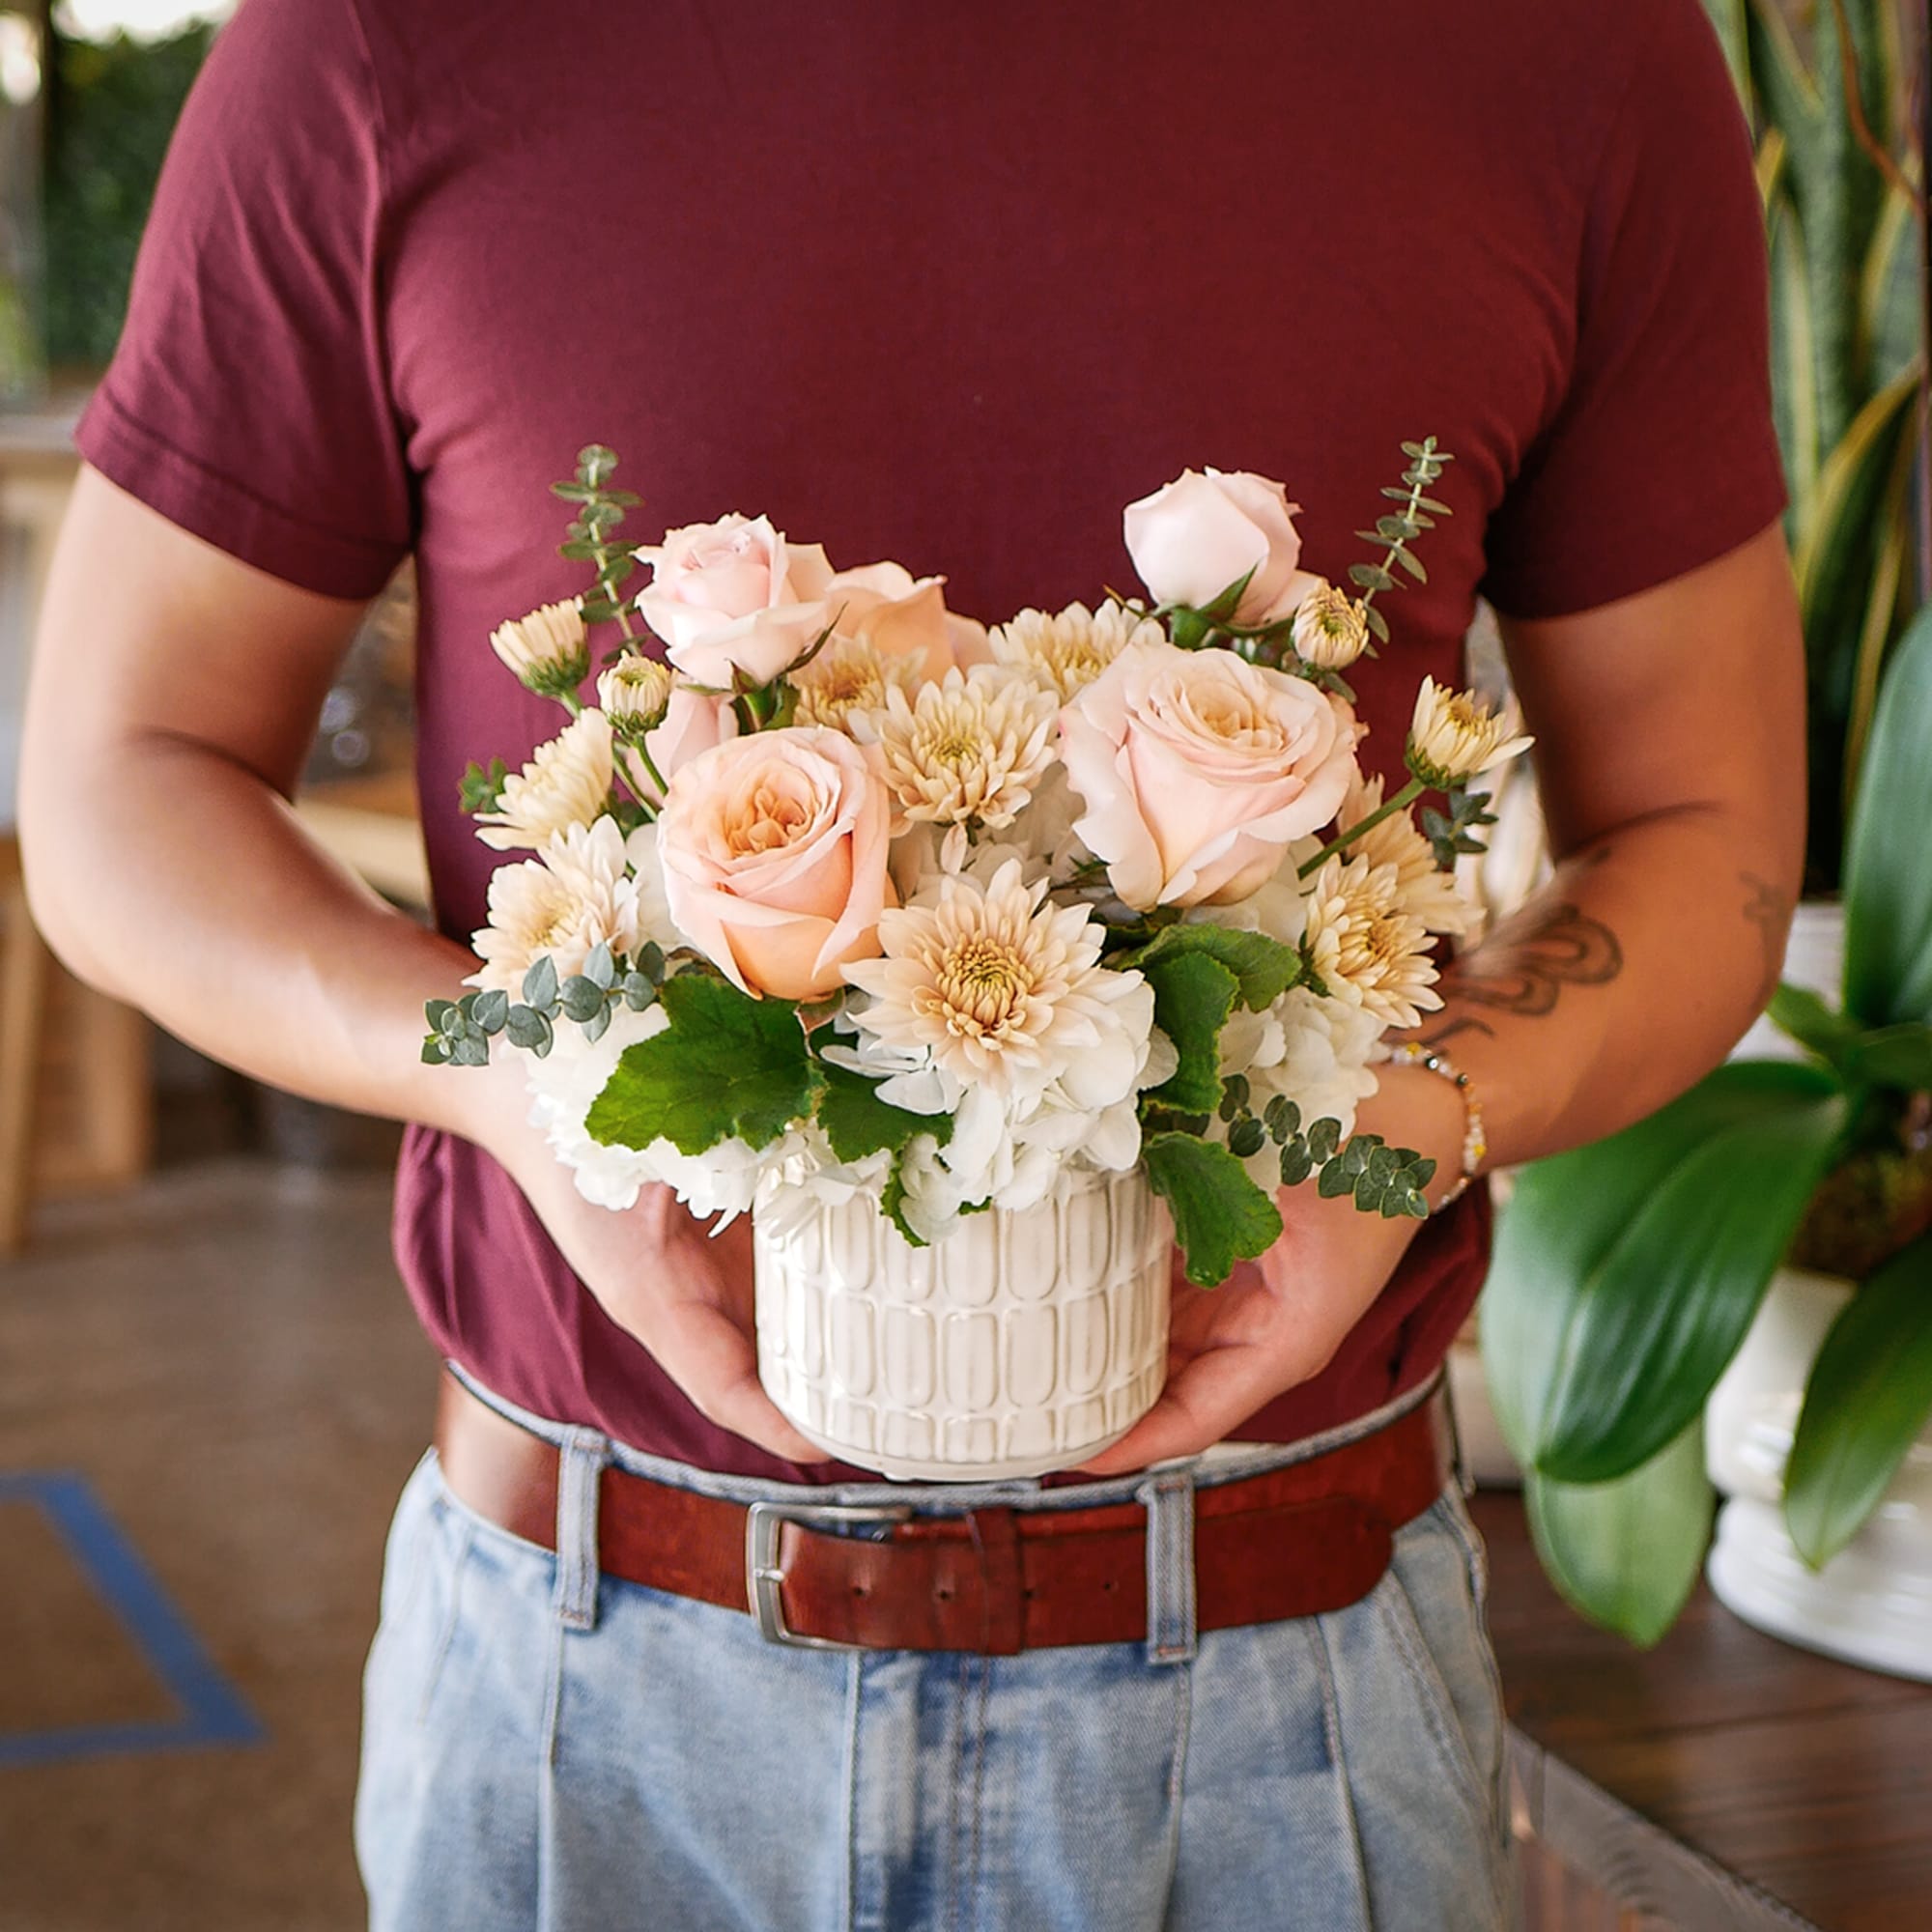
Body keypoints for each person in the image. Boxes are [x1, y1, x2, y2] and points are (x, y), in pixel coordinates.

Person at [20, 1, 1803, 1925]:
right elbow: (123, 781)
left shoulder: (1570, 48)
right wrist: (526, 1086)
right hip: (591, 1676)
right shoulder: (378, 42)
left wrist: (1421, 1113)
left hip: (1291, 1691)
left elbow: (1704, 823)